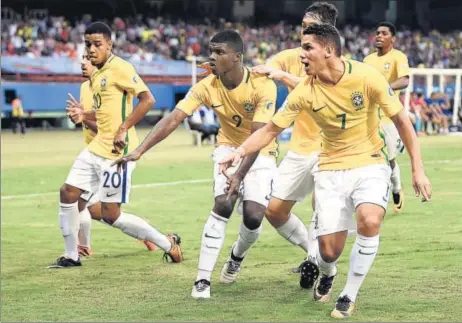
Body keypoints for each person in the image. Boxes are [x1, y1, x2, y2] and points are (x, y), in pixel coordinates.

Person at [218, 24, 431, 318]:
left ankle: (348, 294)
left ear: (328, 50)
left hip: (369, 162)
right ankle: (328, 272)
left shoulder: (367, 77)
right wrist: (238, 152)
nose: (301, 55)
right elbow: (270, 130)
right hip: (330, 169)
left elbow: (402, 122)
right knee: (329, 251)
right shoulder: (304, 91)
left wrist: (417, 170)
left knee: (370, 220)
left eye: (307, 48)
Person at [112, 30, 278, 299]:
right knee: (224, 203)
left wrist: (240, 175)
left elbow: (258, 137)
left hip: (261, 149)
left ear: (237, 57)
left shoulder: (263, 85)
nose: (212, 57)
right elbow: (173, 119)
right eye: (211, 51)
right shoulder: (206, 86)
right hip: (227, 147)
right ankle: (202, 279)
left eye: (220, 52)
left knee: (253, 216)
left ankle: (236, 256)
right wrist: (140, 150)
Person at [48, 22, 182, 268]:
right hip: (96, 146)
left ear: (110, 44)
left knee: (111, 215)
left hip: (117, 153)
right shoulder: (96, 74)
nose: (91, 49)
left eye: (97, 44)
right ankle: (71, 255)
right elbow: (104, 114)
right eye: (88, 44)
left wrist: (122, 128)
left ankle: (167, 243)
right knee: (68, 192)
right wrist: (84, 115)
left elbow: (147, 99)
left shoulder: (121, 67)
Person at [251, 1, 339, 283]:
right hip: (301, 147)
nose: (303, 32)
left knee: (321, 207)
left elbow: (316, 86)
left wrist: (284, 77)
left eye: (309, 27)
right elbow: (264, 70)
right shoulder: (290, 55)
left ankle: (319, 266)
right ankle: (312, 254)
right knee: (274, 210)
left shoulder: (335, 61)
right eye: (302, 26)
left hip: (331, 147)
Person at [65, 53, 158, 256]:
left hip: (108, 153)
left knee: (81, 202)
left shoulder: (108, 84)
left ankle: (83, 248)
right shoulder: (84, 87)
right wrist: (79, 116)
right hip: (92, 150)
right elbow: (93, 118)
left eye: (87, 59)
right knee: (96, 210)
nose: (83, 63)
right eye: (82, 58)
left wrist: (83, 117)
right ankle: (141, 231)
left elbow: (106, 128)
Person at [364, 22, 410, 213]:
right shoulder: (367, 60)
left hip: (389, 117)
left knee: (390, 159)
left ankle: (397, 188)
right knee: (369, 159)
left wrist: (384, 88)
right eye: (377, 33)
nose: (379, 36)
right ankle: (371, 198)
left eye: (384, 33)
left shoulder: (398, 57)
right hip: (369, 117)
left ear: (393, 38)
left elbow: (405, 80)